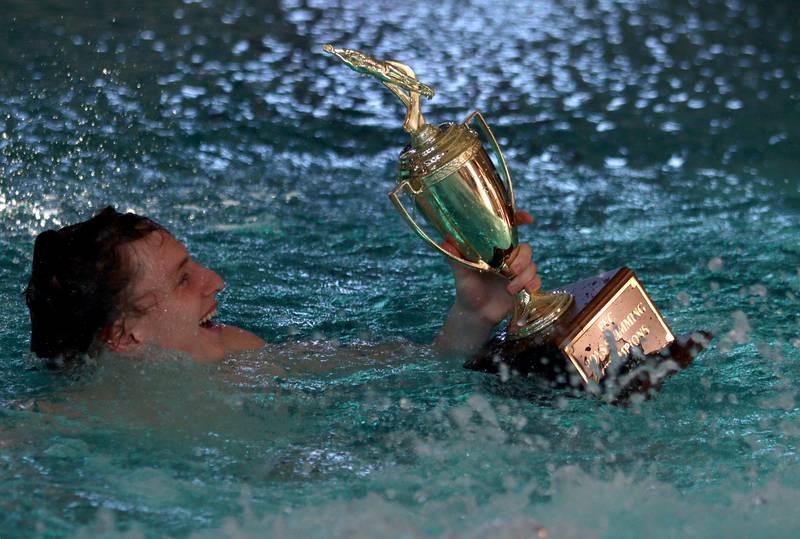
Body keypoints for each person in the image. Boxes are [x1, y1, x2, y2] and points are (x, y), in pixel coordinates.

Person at [24, 206, 541, 365]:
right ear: (124, 335)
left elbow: (415, 370)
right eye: (184, 280)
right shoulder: (62, 428)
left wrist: (474, 311)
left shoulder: (239, 352)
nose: (215, 281)